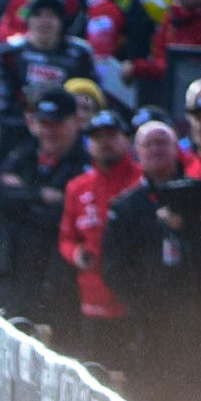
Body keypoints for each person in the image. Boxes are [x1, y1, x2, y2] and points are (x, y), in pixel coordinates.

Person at [100, 119, 201, 401]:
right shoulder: (125, 205)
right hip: (151, 324)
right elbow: (113, 266)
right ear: (137, 152)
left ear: (177, 149)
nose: (156, 149)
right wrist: (143, 307)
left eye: (163, 143)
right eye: (149, 144)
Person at [0, 85, 88, 334]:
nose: (48, 131)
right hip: (14, 273)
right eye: (43, 123)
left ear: (75, 122)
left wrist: (20, 198)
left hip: (59, 282)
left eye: (56, 123)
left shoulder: (84, 163)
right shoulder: (23, 153)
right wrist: (39, 194)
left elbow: (61, 215)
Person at [59, 106, 144, 364]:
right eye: (97, 137)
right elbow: (66, 237)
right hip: (93, 302)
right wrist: (76, 254)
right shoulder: (77, 187)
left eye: (111, 135)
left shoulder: (143, 180)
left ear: (127, 139)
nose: (104, 142)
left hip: (135, 301)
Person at [0, 0, 96, 151]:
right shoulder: (7, 54)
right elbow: (0, 105)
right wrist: (35, 125)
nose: (44, 22)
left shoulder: (80, 54)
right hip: (18, 133)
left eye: (52, 15)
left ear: (62, 21)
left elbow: (90, 100)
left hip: (67, 134)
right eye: (38, 15)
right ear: (28, 19)